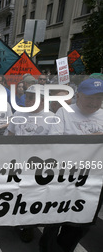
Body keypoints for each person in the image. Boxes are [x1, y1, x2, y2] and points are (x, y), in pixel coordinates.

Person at [39, 78, 103, 252]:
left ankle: (64, 248)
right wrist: (94, 138)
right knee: (54, 218)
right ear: (78, 96)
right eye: (90, 97)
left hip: (93, 180)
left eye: (99, 98)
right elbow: (55, 143)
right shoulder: (64, 113)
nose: (94, 102)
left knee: (82, 222)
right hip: (65, 177)